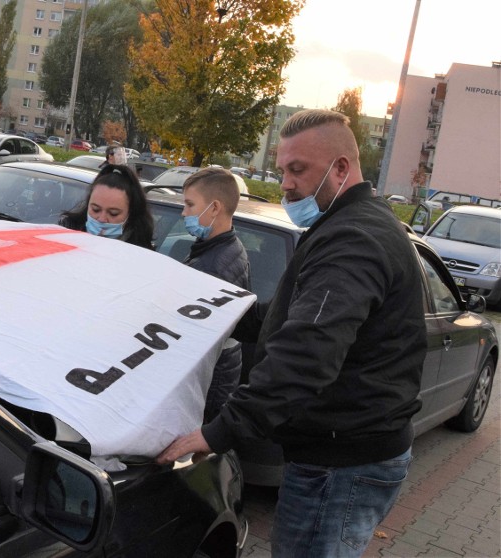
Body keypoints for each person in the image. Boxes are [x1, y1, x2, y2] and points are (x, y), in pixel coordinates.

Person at [157, 109, 427, 558]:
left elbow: (305, 354)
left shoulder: (353, 240)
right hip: (345, 455)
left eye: (297, 170)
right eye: (282, 170)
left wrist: (218, 432)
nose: (284, 183)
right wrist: (215, 313)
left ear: (341, 168)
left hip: (340, 464)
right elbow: (285, 317)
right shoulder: (347, 225)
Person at [180, 167, 251, 422]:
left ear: (214, 208)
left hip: (206, 390)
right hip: (221, 379)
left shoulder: (210, 268)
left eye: (190, 205)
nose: (183, 212)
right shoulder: (232, 247)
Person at [59, 164, 154, 249]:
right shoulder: (64, 235)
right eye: (95, 210)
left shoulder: (141, 253)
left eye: (113, 214)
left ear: (130, 213)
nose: (102, 219)